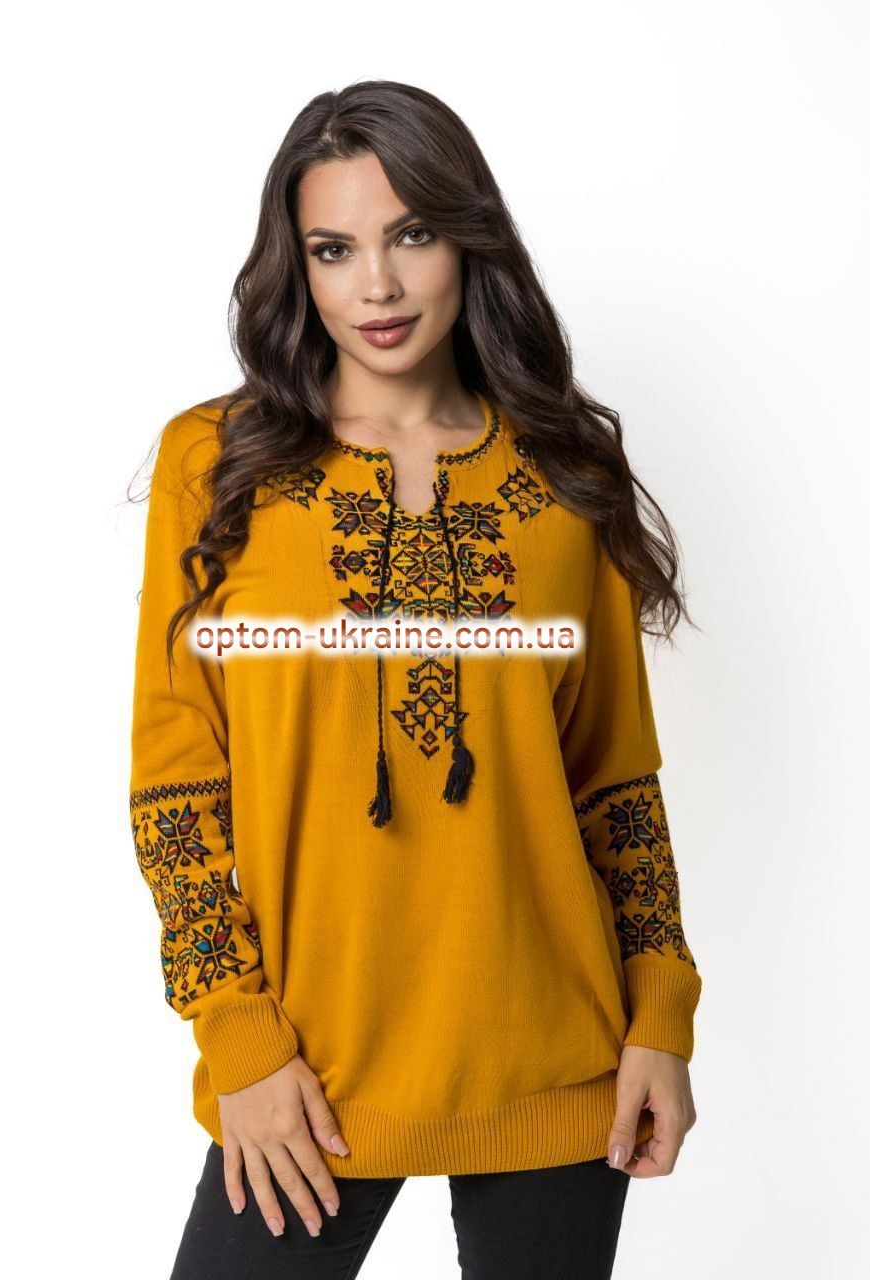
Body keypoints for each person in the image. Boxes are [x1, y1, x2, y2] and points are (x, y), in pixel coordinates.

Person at [128, 80, 702, 1279]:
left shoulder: (564, 469)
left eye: (412, 235)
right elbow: (176, 785)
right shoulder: (216, 465)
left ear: (468, 238)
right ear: (297, 267)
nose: (377, 286)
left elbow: (614, 778)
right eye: (333, 249)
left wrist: (660, 1013)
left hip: (560, 1064)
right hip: (306, 1075)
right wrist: (237, 1035)